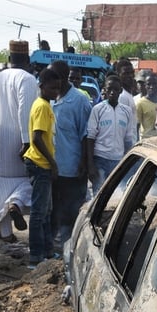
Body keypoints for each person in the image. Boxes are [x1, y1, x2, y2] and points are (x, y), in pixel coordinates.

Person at [0, 40, 36, 243]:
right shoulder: (27, 78)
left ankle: (5, 233)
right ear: (28, 60)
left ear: (9, 59)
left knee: (0, 183)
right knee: (29, 180)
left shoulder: (0, 76)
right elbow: (25, 111)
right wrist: (27, 142)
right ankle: (16, 202)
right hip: (18, 138)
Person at [48, 60, 92, 251]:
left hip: (71, 168)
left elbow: (86, 134)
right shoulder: (48, 98)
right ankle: (51, 248)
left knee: (70, 213)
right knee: (52, 211)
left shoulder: (79, 100)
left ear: (63, 78)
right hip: (51, 167)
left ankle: (69, 249)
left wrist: (84, 162)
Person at [23, 69, 61, 269]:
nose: (56, 91)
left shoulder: (45, 105)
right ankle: (36, 256)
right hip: (40, 164)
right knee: (39, 213)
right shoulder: (42, 107)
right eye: (52, 87)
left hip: (42, 164)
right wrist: (52, 163)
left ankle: (47, 251)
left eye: (58, 88)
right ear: (41, 86)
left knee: (47, 211)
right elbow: (37, 137)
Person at [85, 76, 136, 194]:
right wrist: (90, 165)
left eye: (116, 89)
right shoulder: (97, 109)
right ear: (105, 90)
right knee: (99, 194)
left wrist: (129, 164)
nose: (112, 92)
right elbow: (90, 137)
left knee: (116, 195)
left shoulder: (126, 111)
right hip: (100, 160)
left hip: (118, 161)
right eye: (109, 89)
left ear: (120, 90)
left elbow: (128, 139)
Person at [136, 74, 157, 139]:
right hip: (146, 141)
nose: (151, 87)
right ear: (145, 86)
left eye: (154, 84)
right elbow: (136, 126)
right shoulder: (140, 103)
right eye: (149, 84)